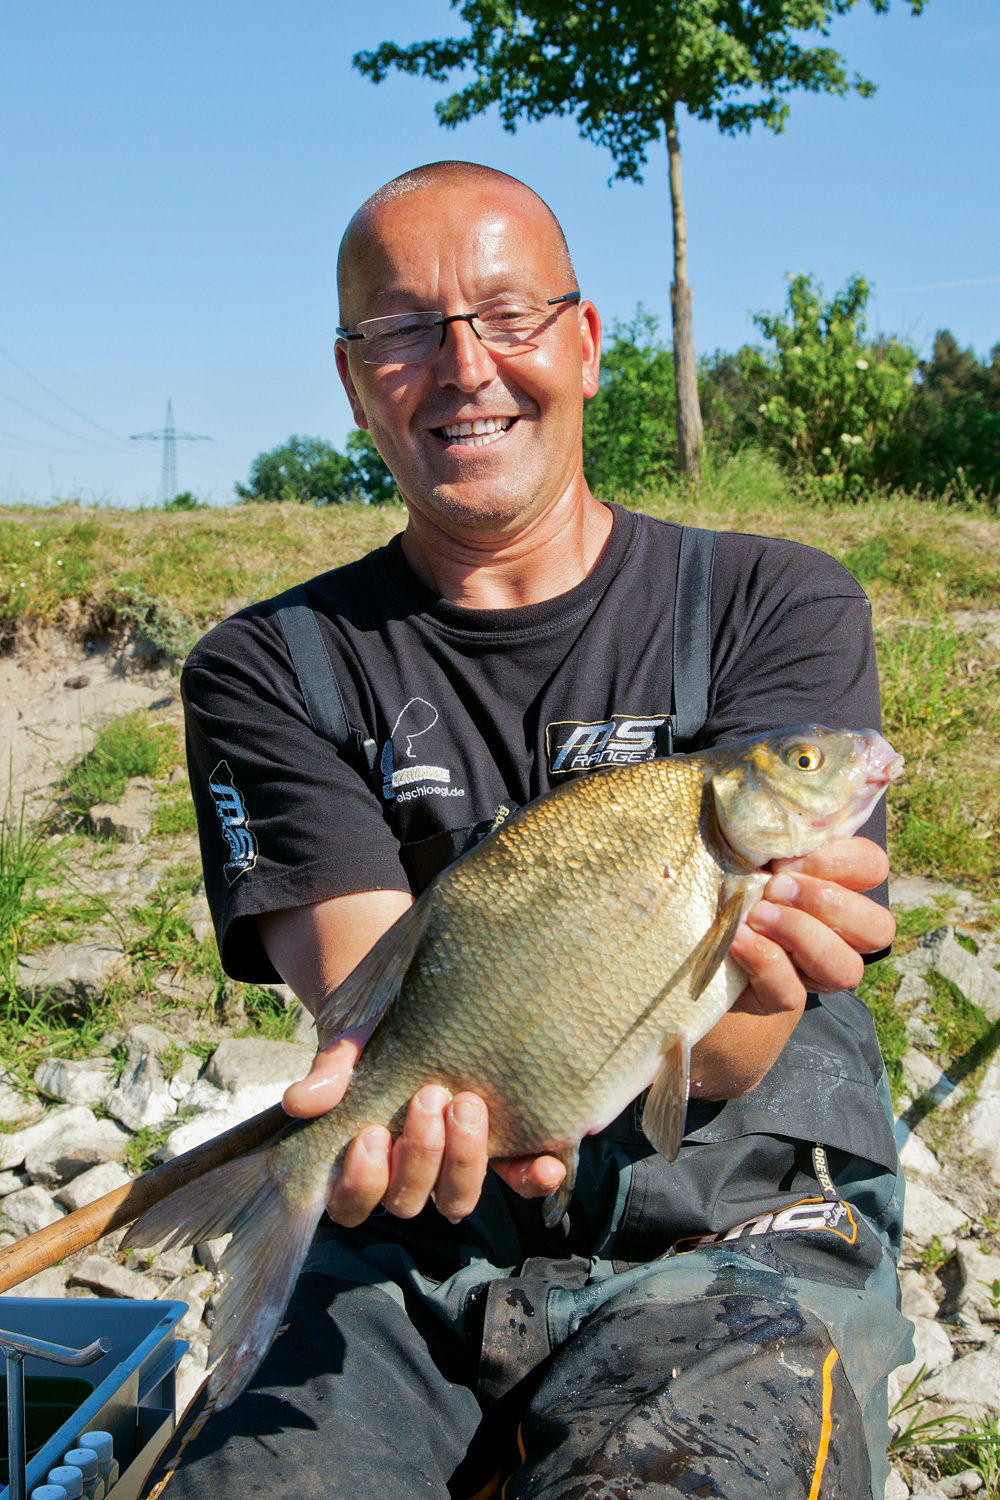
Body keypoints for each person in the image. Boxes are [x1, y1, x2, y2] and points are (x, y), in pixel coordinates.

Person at [165, 162, 912, 1499]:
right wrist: (420, 1125)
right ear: (352, 380)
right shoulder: (264, 668)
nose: (465, 367)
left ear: (586, 341)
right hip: (411, 1219)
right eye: (405, 331)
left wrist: (770, 954)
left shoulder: (774, 602)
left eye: (510, 314)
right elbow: (373, 1003)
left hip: (733, 1233)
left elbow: (735, 1053)